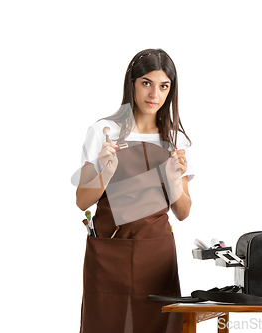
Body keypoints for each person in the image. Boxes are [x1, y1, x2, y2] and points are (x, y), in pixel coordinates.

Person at [76, 49, 193, 333]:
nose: (155, 94)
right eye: (146, 83)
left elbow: (183, 212)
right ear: (132, 83)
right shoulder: (104, 131)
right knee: (105, 323)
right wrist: (106, 172)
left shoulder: (173, 139)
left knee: (158, 325)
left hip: (157, 255)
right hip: (109, 254)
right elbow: (82, 201)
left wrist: (174, 180)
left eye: (164, 86)